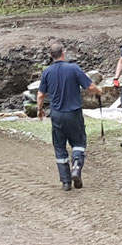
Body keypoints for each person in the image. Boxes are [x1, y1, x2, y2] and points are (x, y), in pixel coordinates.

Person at [35, 42, 97, 190]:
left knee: (60, 146)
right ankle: (76, 166)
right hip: (74, 113)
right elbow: (90, 87)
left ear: (51, 56)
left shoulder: (47, 72)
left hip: (57, 115)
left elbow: (40, 95)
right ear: (63, 54)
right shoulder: (73, 68)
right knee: (79, 143)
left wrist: (39, 110)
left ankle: (66, 182)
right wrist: (99, 92)